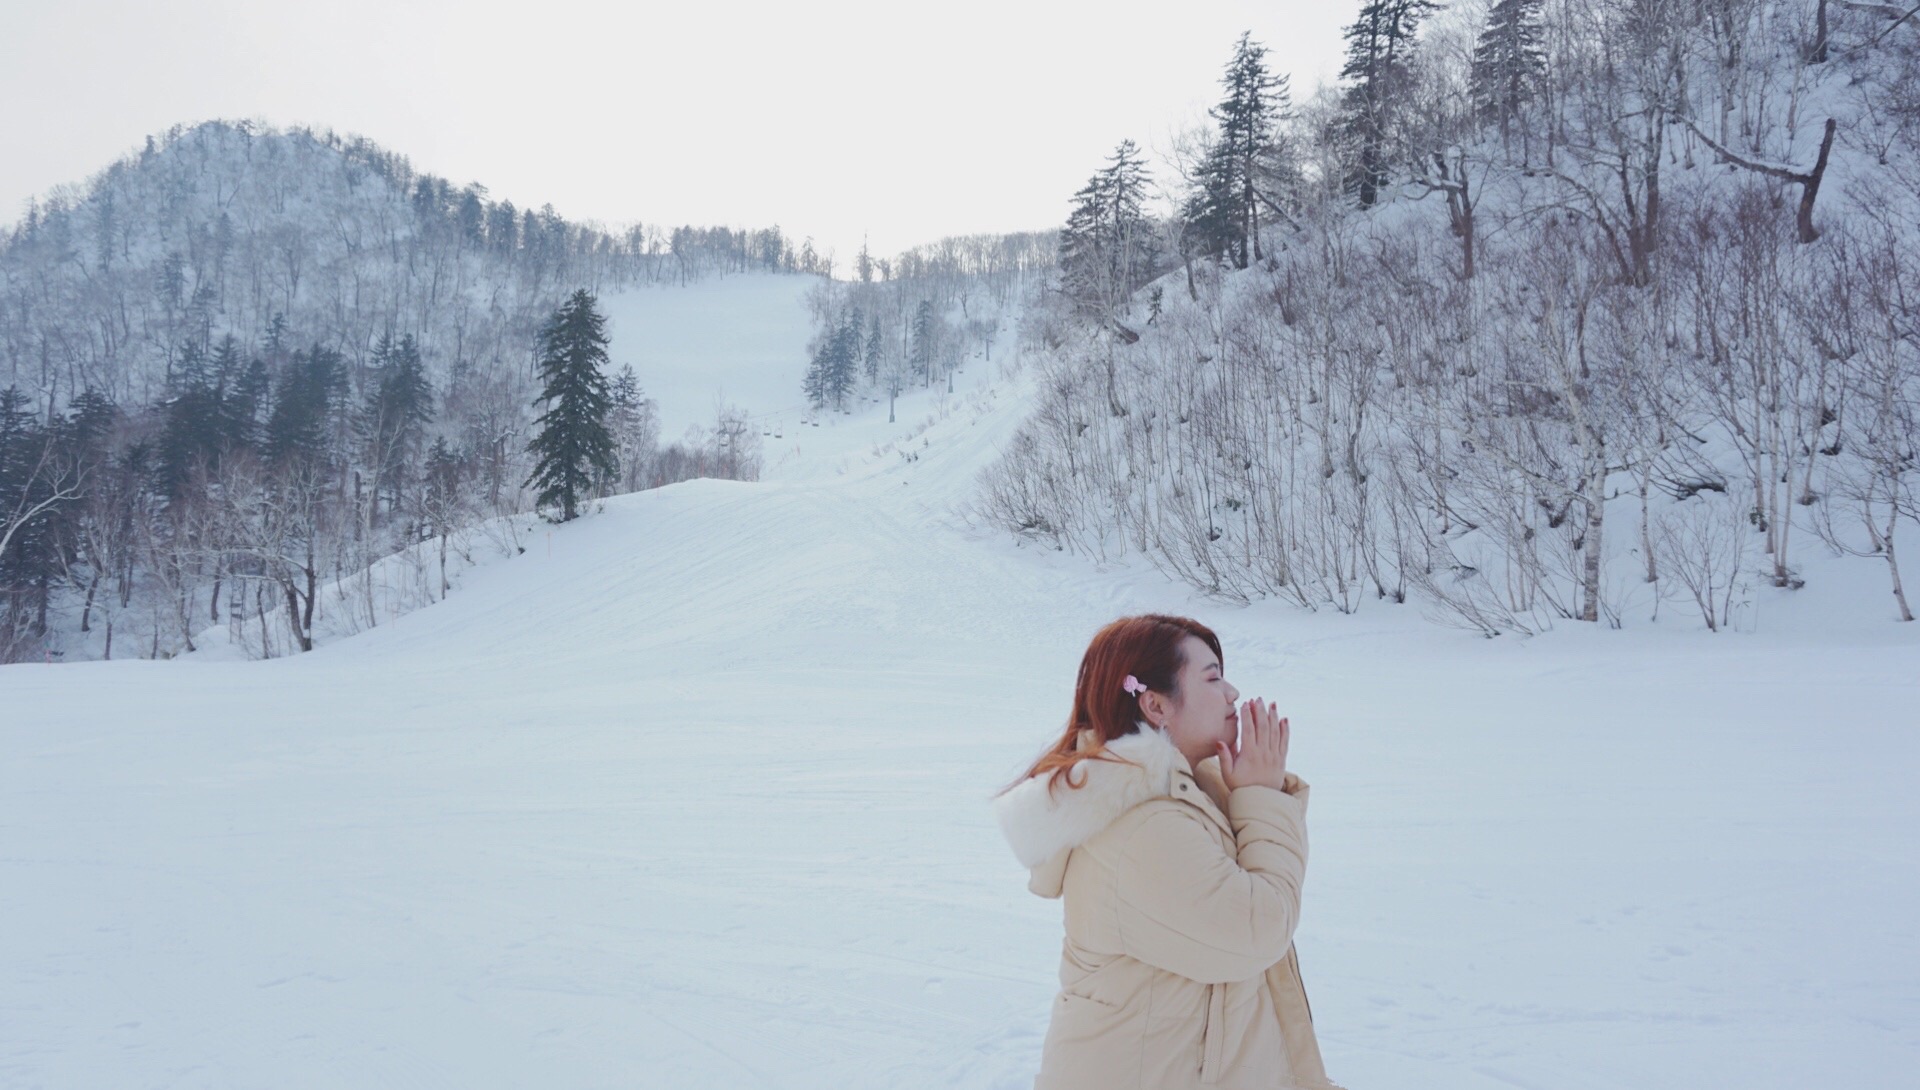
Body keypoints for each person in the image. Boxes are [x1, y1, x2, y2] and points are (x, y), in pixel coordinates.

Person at [993, 614, 1343, 1089]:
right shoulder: (1142, 826)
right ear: (1156, 704)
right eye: (1213, 677)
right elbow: (1256, 932)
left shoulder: (1190, 802)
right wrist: (1263, 800)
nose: (1233, 693)